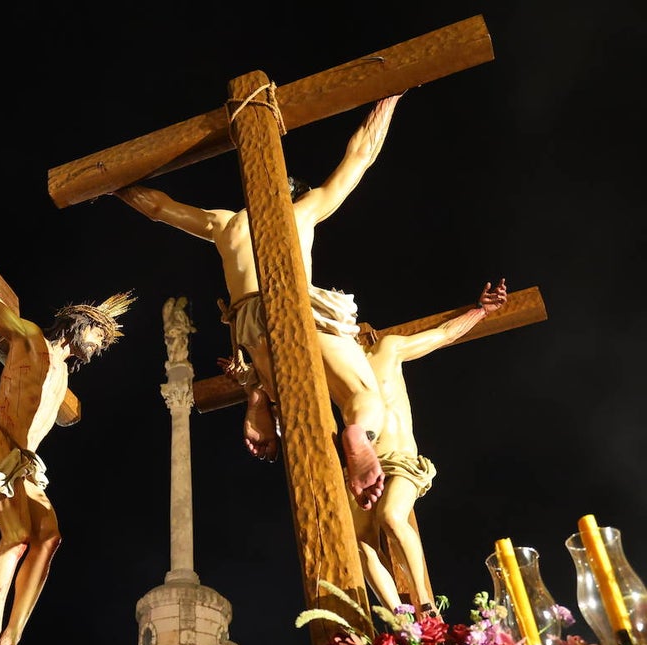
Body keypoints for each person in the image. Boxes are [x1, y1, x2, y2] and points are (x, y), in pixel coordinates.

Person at [111, 95, 402, 510]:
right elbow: (359, 157)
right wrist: (389, 98)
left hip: (249, 322)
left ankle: (261, 399)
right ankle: (356, 434)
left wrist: (113, 185)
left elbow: (158, 207)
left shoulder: (223, 222)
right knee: (361, 394)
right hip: (296, 301)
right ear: (294, 195)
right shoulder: (303, 211)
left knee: (293, 400)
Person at [0, 210, 135, 645]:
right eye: (97, 334)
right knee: (19, 536)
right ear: (77, 322)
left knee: (49, 537)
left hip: (23, 463)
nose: (99, 345)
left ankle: (9, 640)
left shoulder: (64, 379)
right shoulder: (28, 339)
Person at [353, 278, 507, 616]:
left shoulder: (387, 350)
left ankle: (425, 604)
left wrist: (481, 311)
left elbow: (443, 335)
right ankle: (399, 618)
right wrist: (249, 382)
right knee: (361, 544)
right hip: (364, 467)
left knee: (392, 516)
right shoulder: (333, 373)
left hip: (402, 459)